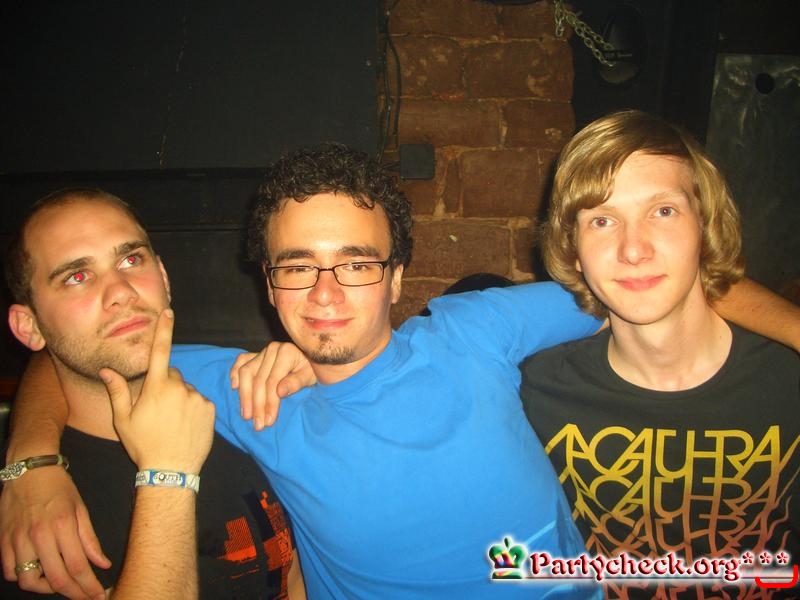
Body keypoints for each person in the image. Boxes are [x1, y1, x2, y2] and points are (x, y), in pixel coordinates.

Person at [3, 144, 799, 599]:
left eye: (355, 264)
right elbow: (83, 351)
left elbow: (658, 280)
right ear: (267, 284)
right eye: (296, 267)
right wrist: (30, 461)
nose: (324, 295)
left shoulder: (474, 329)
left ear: (395, 278)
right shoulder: (249, 390)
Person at [520, 110, 800, 598]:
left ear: (704, 226)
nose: (633, 249)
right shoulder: (533, 394)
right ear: (574, 249)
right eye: (602, 220)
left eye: (663, 211)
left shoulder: (788, 382)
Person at [0, 189, 301, 599]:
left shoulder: (241, 399)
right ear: (29, 326)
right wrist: (168, 473)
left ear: (163, 277)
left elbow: (290, 576)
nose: (121, 291)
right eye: (77, 277)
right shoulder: (29, 520)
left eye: (130, 260)